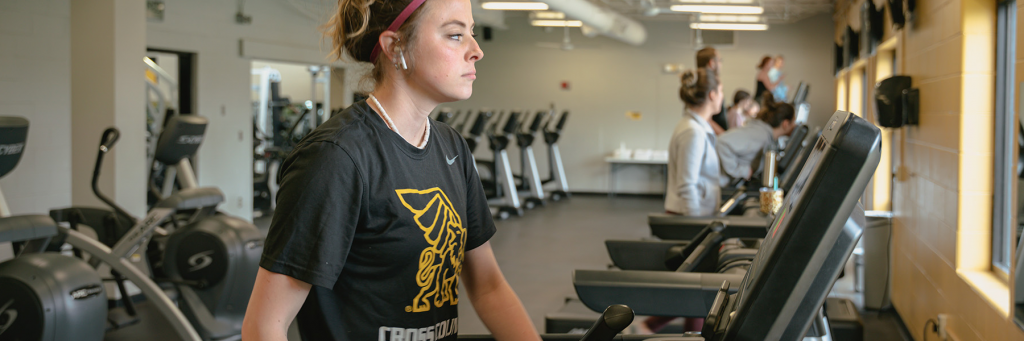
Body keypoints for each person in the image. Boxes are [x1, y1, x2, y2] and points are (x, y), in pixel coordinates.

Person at [241, 0, 540, 340]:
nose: (476, 51)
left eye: (472, 33)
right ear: (394, 46)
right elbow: (265, 325)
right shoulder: (336, 158)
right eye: (456, 35)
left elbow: (488, 287)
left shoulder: (451, 146)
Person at [717, 92, 797, 186]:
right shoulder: (760, 135)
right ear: (786, 123)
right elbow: (722, 143)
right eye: (794, 122)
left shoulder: (766, 135)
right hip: (717, 186)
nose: (795, 126)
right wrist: (744, 172)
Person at [697, 47, 727, 135]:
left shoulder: (710, 81)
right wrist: (724, 135)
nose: (721, 64)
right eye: (720, 60)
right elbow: (705, 117)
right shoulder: (706, 83)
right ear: (712, 63)